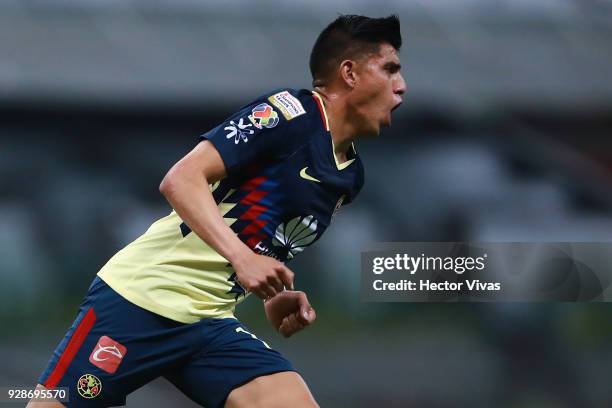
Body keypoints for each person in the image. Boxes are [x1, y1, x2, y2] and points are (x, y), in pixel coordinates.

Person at [28, 13, 405, 408]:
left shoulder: (350, 176)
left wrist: (273, 292)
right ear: (349, 72)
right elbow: (181, 179)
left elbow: (265, 235)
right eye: (390, 69)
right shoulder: (290, 114)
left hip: (209, 321)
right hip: (140, 300)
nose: (402, 87)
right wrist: (244, 259)